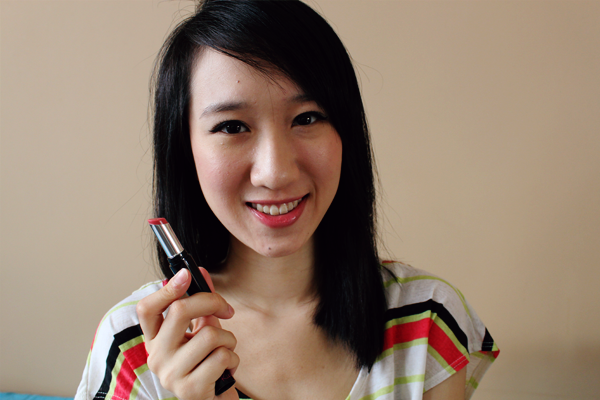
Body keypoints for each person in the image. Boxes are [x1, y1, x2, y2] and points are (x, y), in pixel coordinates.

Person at [75, 1, 499, 399]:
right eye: (232, 126)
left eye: (307, 118)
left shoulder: (427, 318)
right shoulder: (132, 343)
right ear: (184, 149)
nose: (275, 172)